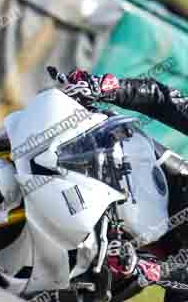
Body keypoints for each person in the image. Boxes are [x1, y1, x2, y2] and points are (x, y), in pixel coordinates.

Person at [59, 68, 188, 301]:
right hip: (178, 196)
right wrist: (108, 88)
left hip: (178, 264)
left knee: (107, 280)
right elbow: (163, 100)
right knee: (122, 142)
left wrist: (153, 269)